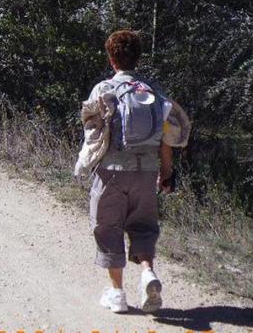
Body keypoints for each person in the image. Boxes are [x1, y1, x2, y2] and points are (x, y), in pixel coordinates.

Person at [73, 29, 191, 314]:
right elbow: (166, 140)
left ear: (112, 59)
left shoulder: (104, 90)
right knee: (143, 227)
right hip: (146, 172)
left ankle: (116, 293)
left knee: (108, 226)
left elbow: (93, 135)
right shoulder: (153, 93)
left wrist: (86, 164)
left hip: (111, 172)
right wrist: (166, 172)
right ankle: (148, 273)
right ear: (137, 58)